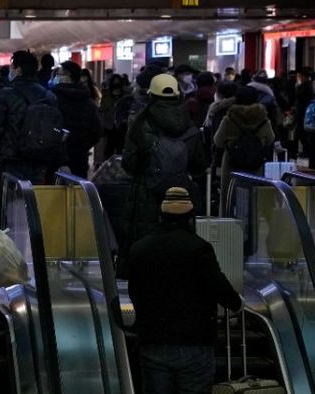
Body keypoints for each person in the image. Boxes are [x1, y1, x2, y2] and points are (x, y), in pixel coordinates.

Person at [128, 187, 242, 394]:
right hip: (195, 344)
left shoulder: (140, 249)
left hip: (153, 342)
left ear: (161, 216)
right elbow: (219, 288)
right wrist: (236, 304)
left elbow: (134, 292)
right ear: (191, 217)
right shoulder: (199, 249)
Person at [120, 73, 207, 261]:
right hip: (181, 194)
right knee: (179, 251)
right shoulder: (190, 125)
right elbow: (199, 165)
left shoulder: (141, 123)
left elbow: (129, 163)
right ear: (178, 95)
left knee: (145, 251)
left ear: (151, 95)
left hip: (146, 194)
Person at [0, 50, 61, 214]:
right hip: (38, 159)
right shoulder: (49, 96)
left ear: (18, 69)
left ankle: (9, 237)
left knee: (7, 206)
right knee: (34, 207)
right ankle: (33, 238)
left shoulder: (6, 94)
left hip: (12, 159)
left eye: (13, 67)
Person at [213, 86, 274, 205]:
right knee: (253, 199)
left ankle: (230, 222)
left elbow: (218, 141)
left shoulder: (229, 119)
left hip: (232, 165)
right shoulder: (263, 119)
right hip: (255, 164)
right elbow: (270, 139)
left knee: (230, 199)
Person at [52, 60, 102, 178]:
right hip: (79, 156)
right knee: (78, 191)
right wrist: (83, 145)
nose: (56, 77)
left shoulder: (52, 100)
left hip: (55, 156)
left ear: (68, 77)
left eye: (59, 74)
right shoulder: (88, 102)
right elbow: (97, 130)